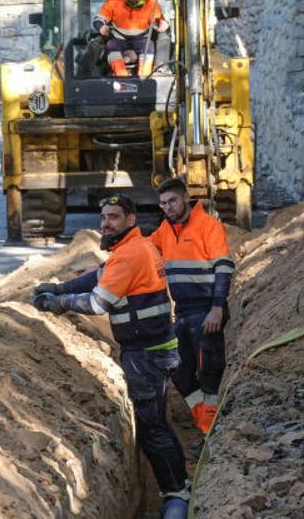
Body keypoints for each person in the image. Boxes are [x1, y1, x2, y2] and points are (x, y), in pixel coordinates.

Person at [32, 195, 190, 510]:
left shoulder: (130, 255)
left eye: (114, 217)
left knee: (152, 426)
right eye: (103, 217)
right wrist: (63, 288)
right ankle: (179, 488)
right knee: (155, 422)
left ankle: (176, 494)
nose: (106, 223)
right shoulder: (135, 247)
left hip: (147, 355)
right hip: (152, 349)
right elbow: (100, 275)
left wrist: (58, 304)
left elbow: (96, 302)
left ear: (130, 220)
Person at [149, 178, 234, 434]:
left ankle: (213, 436)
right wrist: (102, 267)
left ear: (186, 197)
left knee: (209, 373)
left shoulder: (209, 226)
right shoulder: (165, 229)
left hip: (207, 310)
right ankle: (206, 425)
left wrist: (217, 308)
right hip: (183, 312)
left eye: (172, 201)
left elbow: (224, 268)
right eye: (163, 203)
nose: (168, 207)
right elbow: (139, 254)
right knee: (179, 371)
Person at [93, 0, 170, 77]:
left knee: (149, 46)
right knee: (111, 46)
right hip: (118, 39)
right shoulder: (114, 1)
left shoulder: (151, 4)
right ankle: (122, 77)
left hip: (142, 40)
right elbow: (98, 19)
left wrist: (162, 24)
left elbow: (158, 21)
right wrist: (101, 27)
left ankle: (144, 78)